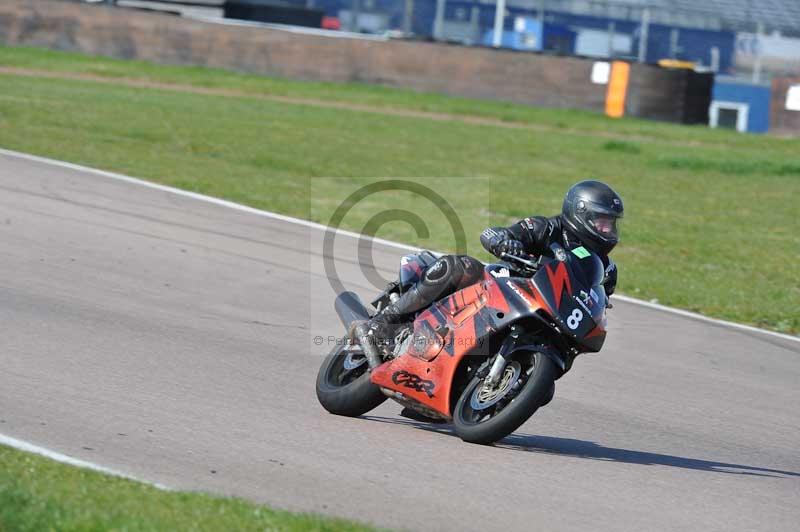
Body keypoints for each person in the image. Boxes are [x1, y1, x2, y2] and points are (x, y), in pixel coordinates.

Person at [353, 180, 624, 347]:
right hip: (504, 288)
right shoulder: (546, 228)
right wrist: (504, 242)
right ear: (581, 214)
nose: (608, 229)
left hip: (545, 314)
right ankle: (384, 323)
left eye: (611, 223)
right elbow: (498, 233)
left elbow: (598, 300)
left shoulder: (605, 267)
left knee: (547, 387)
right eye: (602, 221)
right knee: (460, 268)